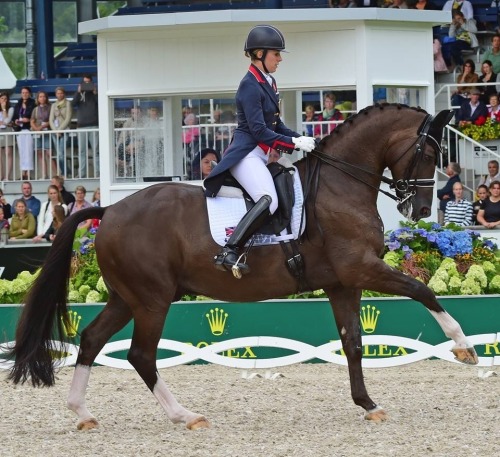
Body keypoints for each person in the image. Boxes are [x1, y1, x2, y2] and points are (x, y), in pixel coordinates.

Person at [204, 25, 315, 275]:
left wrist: (301, 138)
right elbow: (259, 131)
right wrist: (292, 145)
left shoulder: (269, 81)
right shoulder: (249, 85)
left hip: (260, 152)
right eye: (276, 54)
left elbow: (277, 125)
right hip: (247, 153)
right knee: (269, 199)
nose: (280, 58)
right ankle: (230, 250)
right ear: (259, 53)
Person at [72, 74, 99, 178]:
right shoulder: (79, 94)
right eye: (85, 83)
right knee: (82, 151)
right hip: (81, 126)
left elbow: (100, 104)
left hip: (94, 125)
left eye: (89, 83)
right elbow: (72, 104)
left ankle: (98, 173)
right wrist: (78, 92)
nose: (86, 85)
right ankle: (82, 174)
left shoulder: (94, 94)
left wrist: (95, 93)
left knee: (96, 151)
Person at [11, 86, 36, 180]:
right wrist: (16, 120)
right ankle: (23, 172)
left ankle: (28, 172)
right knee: (22, 152)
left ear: (29, 93)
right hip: (19, 130)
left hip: (28, 129)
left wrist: (28, 119)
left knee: (28, 151)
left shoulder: (33, 103)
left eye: (26, 92)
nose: (24, 94)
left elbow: (33, 115)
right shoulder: (18, 103)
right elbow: (14, 116)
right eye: (23, 92)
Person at [49, 86, 73, 177]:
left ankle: (65, 172)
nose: (60, 95)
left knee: (61, 153)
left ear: (64, 94)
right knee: (58, 154)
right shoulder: (53, 105)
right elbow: (51, 119)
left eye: (61, 93)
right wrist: (55, 131)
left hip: (64, 131)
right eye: (58, 93)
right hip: (55, 132)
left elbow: (68, 118)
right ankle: (66, 171)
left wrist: (60, 130)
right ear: (56, 94)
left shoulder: (68, 104)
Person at [30, 91, 53, 179]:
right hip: (38, 133)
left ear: (46, 98)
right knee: (40, 153)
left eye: (44, 96)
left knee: (49, 153)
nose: (42, 98)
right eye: (40, 97)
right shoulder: (35, 109)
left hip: (47, 132)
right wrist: (36, 129)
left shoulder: (50, 107)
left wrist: (43, 126)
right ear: (38, 98)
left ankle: (55, 174)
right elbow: (32, 121)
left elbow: (51, 120)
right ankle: (44, 174)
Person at [116, 107, 144, 177]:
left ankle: (133, 172)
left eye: (137, 113)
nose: (135, 115)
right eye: (133, 113)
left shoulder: (144, 122)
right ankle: (125, 166)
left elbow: (144, 137)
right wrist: (121, 146)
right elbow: (123, 135)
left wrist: (134, 145)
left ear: (141, 113)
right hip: (130, 143)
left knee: (135, 152)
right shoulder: (128, 122)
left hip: (140, 143)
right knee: (121, 147)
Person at [0, 92, 14, 181]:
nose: (3, 100)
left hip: (7, 131)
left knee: (8, 153)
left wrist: (4, 109)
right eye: (2, 98)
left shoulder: (11, 108)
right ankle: (1, 175)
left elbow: (7, 120)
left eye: (5, 99)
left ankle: (7, 176)